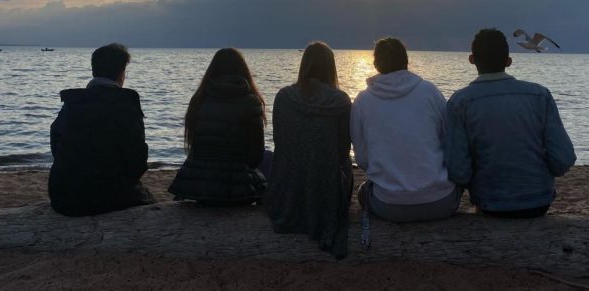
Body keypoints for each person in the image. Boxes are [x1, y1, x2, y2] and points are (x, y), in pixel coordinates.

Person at [445, 28, 575, 218]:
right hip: (538, 201)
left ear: (471, 60)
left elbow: (459, 171)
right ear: (509, 62)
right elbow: (563, 160)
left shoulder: (459, 102)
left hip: (490, 203)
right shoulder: (540, 95)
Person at [351, 37, 460, 222]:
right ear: (406, 61)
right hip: (441, 203)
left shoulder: (363, 100)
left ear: (376, 64)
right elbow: (449, 141)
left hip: (388, 206)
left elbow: (362, 159)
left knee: (364, 192)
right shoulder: (430, 91)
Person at [265, 42, 353, 258]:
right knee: (347, 167)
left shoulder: (284, 97)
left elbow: (279, 140)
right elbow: (343, 151)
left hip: (287, 188)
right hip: (326, 190)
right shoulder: (340, 100)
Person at [48, 43, 154, 216]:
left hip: (64, 197)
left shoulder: (73, 103)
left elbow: (56, 144)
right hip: (108, 197)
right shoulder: (126, 105)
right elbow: (137, 161)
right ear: (122, 73)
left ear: (93, 70)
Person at [168, 47, 267, 205]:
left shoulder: (198, 99)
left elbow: (195, 146)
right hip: (235, 188)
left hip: (197, 185)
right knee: (269, 158)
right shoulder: (251, 102)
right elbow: (255, 158)